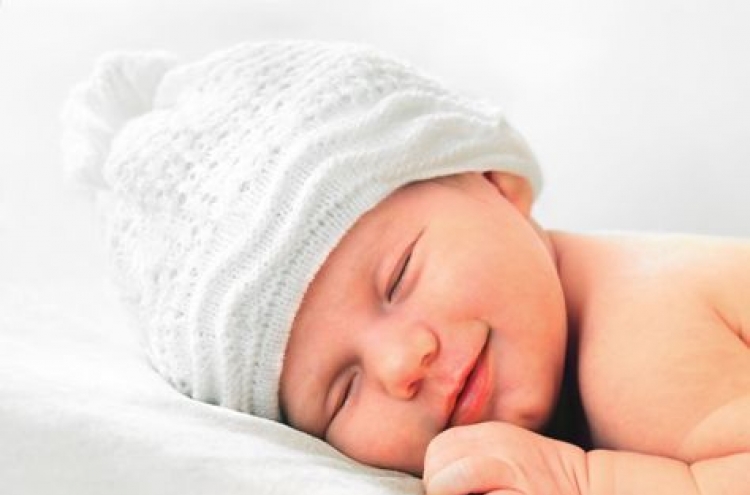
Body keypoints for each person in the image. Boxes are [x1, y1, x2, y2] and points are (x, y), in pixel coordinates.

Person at [61, 40, 750, 494]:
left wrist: (583, 480)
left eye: (397, 278)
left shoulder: (638, 340)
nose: (400, 363)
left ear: (494, 181)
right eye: (343, 389)